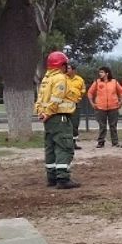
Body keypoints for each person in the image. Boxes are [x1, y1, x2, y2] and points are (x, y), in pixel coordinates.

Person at [34, 51, 79, 189]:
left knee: (51, 147)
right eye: (66, 64)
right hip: (59, 117)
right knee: (64, 147)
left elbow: (40, 98)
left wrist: (41, 112)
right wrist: (48, 113)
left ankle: (51, 176)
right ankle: (63, 178)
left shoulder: (46, 78)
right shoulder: (60, 78)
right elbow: (56, 99)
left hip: (49, 119)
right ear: (61, 64)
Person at [88, 66, 122, 148]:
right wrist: (92, 103)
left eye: (102, 72)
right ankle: (101, 142)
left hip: (113, 107)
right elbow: (90, 92)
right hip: (100, 108)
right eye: (99, 72)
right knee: (102, 126)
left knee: (113, 125)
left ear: (107, 73)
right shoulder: (97, 82)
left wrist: (120, 102)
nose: (100, 74)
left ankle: (115, 142)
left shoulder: (114, 82)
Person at [64, 63, 86, 150]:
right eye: (67, 68)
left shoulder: (79, 79)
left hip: (75, 104)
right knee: (65, 124)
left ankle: (73, 143)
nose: (67, 70)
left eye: (69, 68)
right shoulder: (63, 78)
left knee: (75, 124)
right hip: (64, 105)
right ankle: (66, 144)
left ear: (74, 70)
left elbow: (83, 90)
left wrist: (79, 96)